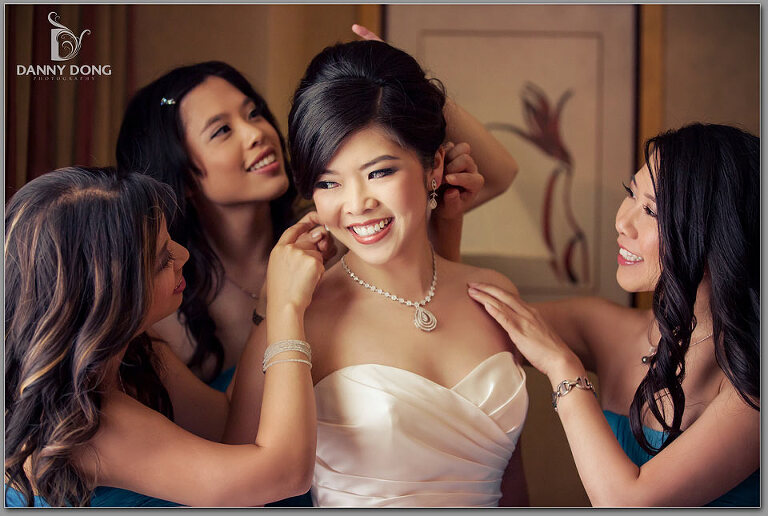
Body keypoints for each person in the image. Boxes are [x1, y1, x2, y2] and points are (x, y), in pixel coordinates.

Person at [114, 27, 518, 394]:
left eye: (253, 112)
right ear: (181, 174)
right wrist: (273, 313)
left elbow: (500, 174)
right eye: (222, 130)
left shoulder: (342, 232)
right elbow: (226, 434)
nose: (257, 133)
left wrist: (406, 88)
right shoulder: (166, 299)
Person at [226, 40, 529, 507]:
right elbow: (237, 494)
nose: (356, 204)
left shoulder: (493, 294)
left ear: (434, 166)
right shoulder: (298, 320)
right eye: (329, 182)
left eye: (379, 172)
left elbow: (512, 481)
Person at [468, 123, 759, 506]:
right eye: (630, 194)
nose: (622, 221)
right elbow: (467, 324)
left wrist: (561, 367)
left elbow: (626, 502)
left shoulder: (752, 384)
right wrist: (446, 215)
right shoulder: (605, 327)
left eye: (650, 210)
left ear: (717, 233)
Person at [4, 167, 324, 507]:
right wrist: (288, 309)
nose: (182, 254)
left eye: (169, 240)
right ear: (110, 298)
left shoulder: (129, 348)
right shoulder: (87, 424)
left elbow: (224, 424)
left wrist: (270, 304)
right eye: (162, 260)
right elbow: (286, 476)